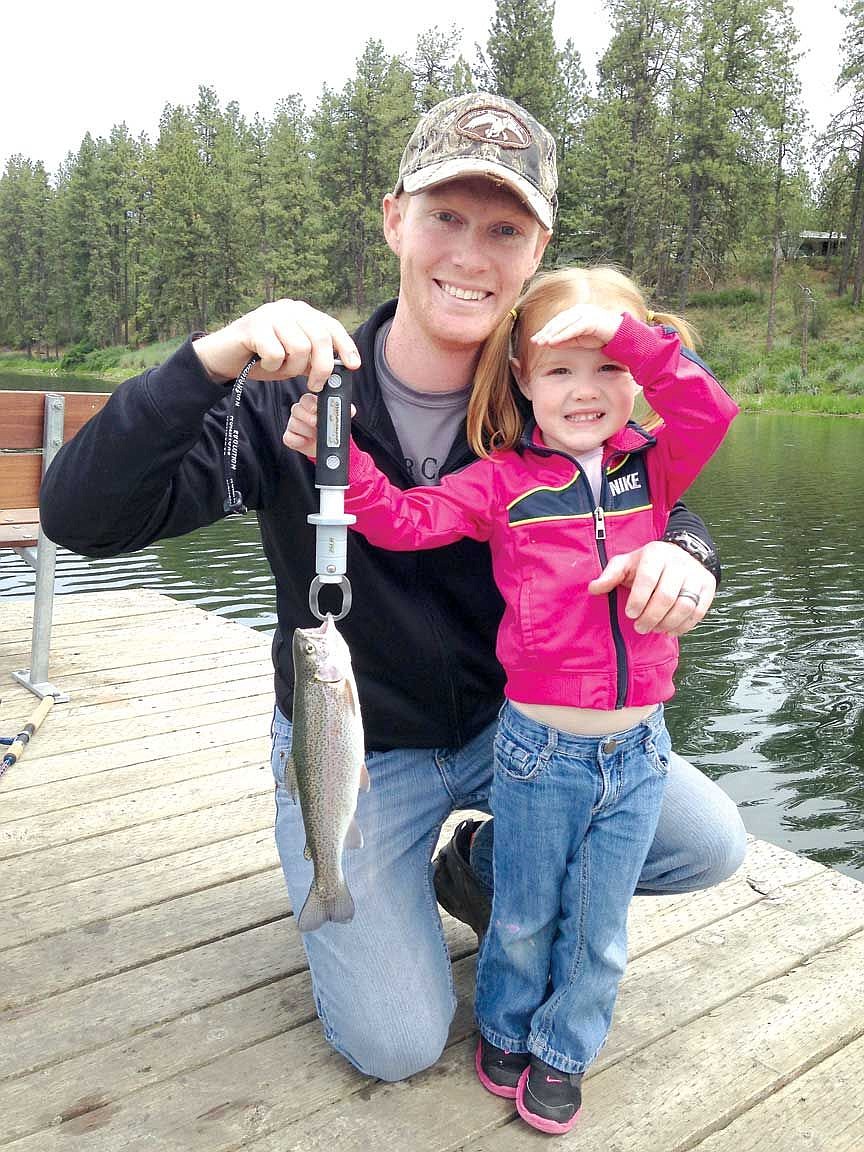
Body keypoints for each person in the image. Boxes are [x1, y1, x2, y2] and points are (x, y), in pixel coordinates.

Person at [40, 92, 746, 1087]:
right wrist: (211, 360)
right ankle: (360, 880)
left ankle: (485, 873)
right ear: (392, 222)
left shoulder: (552, 394)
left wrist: (691, 552)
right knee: (396, 1043)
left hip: (525, 735)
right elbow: (79, 515)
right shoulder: (293, 393)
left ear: (535, 251)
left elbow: (644, 486)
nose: (470, 252)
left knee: (708, 843)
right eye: (445, 217)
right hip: (357, 748)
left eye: (504, 228)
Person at [287, 265, 738, 1132]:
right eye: (560, 369)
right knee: (526, 913)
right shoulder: (501, 481)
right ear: (521, 380)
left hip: (639, 751)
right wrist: (333, 459)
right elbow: (405, 522)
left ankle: (565, 1051)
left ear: (635, 376)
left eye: (607, 366)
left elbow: (709, 408)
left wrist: (632, 335)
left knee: (599, 924)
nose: (587, 389)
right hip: (535, 749)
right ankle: (502, 1025)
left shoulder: (658, 466)